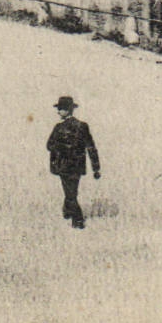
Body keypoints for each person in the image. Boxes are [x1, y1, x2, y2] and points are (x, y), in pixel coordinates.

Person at [46, 96, 101, 228]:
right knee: (72, 191)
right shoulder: (82, 126)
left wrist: (60, 149)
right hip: (77, 166)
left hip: (63, 166)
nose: (58, 112)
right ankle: (68, 212)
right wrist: (96, 168)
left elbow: (49, 145)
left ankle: (78, 220)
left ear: (67, 110)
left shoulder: (58, 128)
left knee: (70, 193)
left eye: (60, 109)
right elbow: (91, 147)